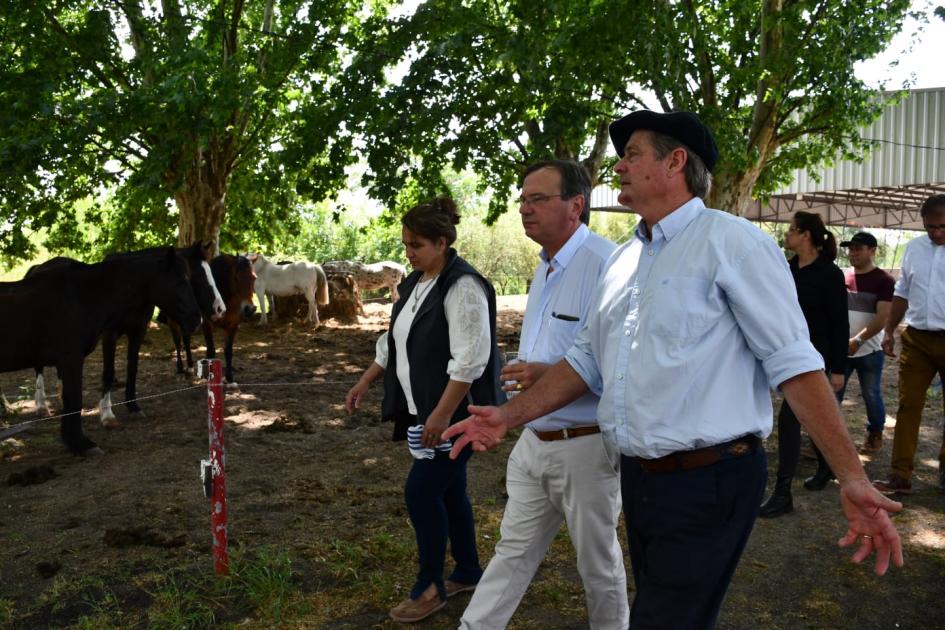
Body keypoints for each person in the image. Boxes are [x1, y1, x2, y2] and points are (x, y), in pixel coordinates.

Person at [443, 110, 903, 629]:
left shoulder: (731, 243)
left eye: (632, 154)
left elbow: (794, 364)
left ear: (676, 161)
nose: (618, 166)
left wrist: (852, 476)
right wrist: (508, 417)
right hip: (640, 477)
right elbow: (585, 360)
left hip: (709, 479)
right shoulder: (623, 261)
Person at [459, 160, 628, 629]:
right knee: (511, 552)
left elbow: (619, 364)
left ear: (576, 206)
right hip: (534, 440)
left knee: (597, 564)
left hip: (586, 444)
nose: (524, 209)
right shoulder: (546, 263)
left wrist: (545, 372)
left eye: (537, 199)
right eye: (523, 200)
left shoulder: (607, 265)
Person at [345, 196, 502, 623]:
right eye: (405, 243)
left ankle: (429, 586)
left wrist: (440, 415)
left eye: (415, 245)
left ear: (442, 242)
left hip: (456, 415)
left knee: (421, 491)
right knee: (449, 490)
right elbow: (393, 340)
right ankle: (468, 569)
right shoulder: (417, 283)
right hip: (425, 411)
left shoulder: (463, 286)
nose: (407, 253)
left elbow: (471, 360)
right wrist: (365, 381)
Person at [758, 211, 848, 518]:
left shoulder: (830, 274)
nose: (786, 235)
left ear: (806, 235)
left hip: (816, 357)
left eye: (791, 231)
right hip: (787, 353)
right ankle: (825, 466)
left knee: (791, 420)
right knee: (807, 418)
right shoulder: (788, 269)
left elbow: (840, 324)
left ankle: (783, 492)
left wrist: (838, 369)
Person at [874, 194, 945, 495]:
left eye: (943, 226)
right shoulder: (914, 249)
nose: (937, 233)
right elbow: (901, 292)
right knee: (907, 407)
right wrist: (889, 330)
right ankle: (900, 475)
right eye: (930, 227)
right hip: (917, 339)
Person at [837, 231, 895, 454]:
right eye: (850, 249)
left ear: (872, 251)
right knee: (833, 395)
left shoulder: (884, 281)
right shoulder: (843, 277)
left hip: (869, 351)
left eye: (858, 249)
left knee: (871, 394)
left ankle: (875, 433)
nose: (852, 253)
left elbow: (882, 317)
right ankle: (824, 441)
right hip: (841, 349)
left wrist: (858, 340)